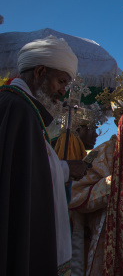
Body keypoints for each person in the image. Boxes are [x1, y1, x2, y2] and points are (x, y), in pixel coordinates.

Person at [0, 36, 82, 275]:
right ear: (39, 71)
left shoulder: (23, 108)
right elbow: (28, 178)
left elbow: (29, 168)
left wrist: (64, 169)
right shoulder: (18, 109)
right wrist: (65, 169)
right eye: (60, 82)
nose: (62, 92)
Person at [69, 74, 123, 276]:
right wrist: (113, 183)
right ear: (116, 121)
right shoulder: (98, 154)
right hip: (108, 242)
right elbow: (74, 196)